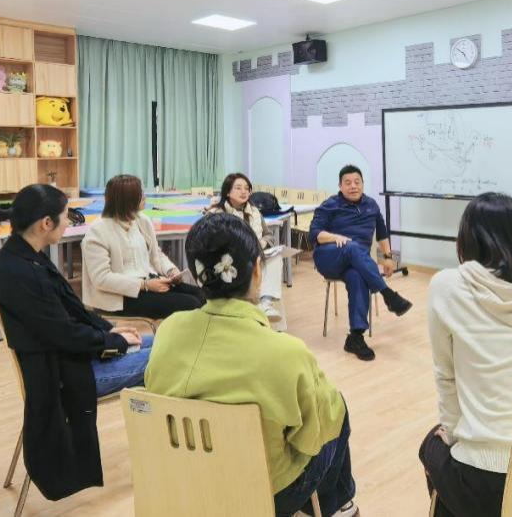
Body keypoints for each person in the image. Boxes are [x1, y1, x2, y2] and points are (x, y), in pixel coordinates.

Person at [145, 213, 358, 517]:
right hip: (265, 494)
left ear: (198, 275)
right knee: (337, 409)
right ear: (258, 270)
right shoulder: (286, 352)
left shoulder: (168, 331)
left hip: (186, 480)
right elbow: (312, 439)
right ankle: (334, 506)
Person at [0, 184, 152, 501]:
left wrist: (112, 332)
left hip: (68, 358)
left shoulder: (24, 257)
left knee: (156, 343)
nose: (68, 223)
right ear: (45, 223)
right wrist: (112, 341)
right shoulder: (19, 273)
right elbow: (64, 334)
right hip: (65, 374)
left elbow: (69, 315)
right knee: (166, 355)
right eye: (64, 217)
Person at [420, 193, 512, 517]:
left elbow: (446, 376)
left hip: (487, 476)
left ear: (467, 240)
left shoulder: (446, 286)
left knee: (431, 445)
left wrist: (452, 435)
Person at [310, 165, 412, 361]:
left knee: (357, 276)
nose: (353, 186)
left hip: (357, 262)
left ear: (363, 184)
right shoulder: (330, 205)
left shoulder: (371, 205)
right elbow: (314, 234)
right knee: (352, 246)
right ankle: (388, 294)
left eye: (357, 182)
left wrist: (388, 257)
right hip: (329, 257)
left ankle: (355, 337)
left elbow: (382, 233)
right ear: (340, 186)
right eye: (347, 183)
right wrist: (335, 237)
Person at [81, 174, 204, 319]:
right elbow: (101, 279)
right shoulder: (97, 231)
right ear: (127, 200)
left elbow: (156, 254)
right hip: (119, 296)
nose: (145, 197)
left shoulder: (142, 220)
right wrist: (144, 285)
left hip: (150, 281)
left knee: (202, 295)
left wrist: (171, 270)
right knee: (191, 304)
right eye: (140, 194)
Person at [207, 172, 284, 323]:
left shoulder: (255, 212)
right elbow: (209, 243)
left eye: (247, 188)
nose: (243, 191)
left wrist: (260, 244)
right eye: (238, 188)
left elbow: (269, 236)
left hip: (255, 257)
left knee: (276, 257)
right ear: (227, 192)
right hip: (229, 261)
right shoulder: (216, 214)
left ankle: (266, 303)